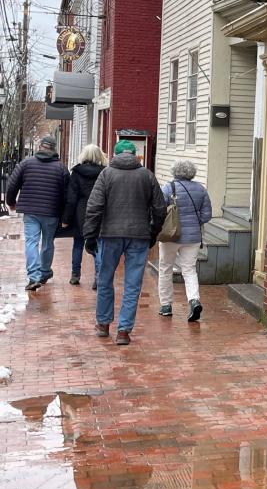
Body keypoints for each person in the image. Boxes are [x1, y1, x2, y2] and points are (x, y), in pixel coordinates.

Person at [83, 140, 166, 345]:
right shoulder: (147, 175)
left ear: (115, 154)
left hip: (109, 235)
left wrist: (90, 236)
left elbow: (94, 207)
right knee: (132, 284)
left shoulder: (106, 174)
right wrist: (152, 232)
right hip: (139, 236)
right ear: (135, 155)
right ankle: (124, 331)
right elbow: (160, 208)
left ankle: (103, 324)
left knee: (105, 279)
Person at [5, 134, 70, 291]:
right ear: (54, 150)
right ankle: (44, 272)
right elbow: (68, 194)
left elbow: (12, 184)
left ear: (40, 147)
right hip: (52, 212)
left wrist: (11, 202)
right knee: (47, 243)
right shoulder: (61, 168)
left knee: (31, 242)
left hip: (31, 211)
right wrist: (65, 215)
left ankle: (34, 276)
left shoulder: (26, 163)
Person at [158, 159, 212, 322]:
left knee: (166, 268)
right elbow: (207, 214)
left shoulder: (168, 188)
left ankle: (166, 305)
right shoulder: (200, 189)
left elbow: (160, 211)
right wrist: (195, 223)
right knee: (189, 270)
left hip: (170, 237)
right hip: (193, 237)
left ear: (174, 171)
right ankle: (194, 300)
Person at [62, 144, 108, 288]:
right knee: (98, 245)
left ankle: (75, 275)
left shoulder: (76, 172)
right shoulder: (105, 172)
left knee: (78, 244)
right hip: (99, 212)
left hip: (80, 213)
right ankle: (99, 276)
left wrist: (66, 218)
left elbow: (71, 198)